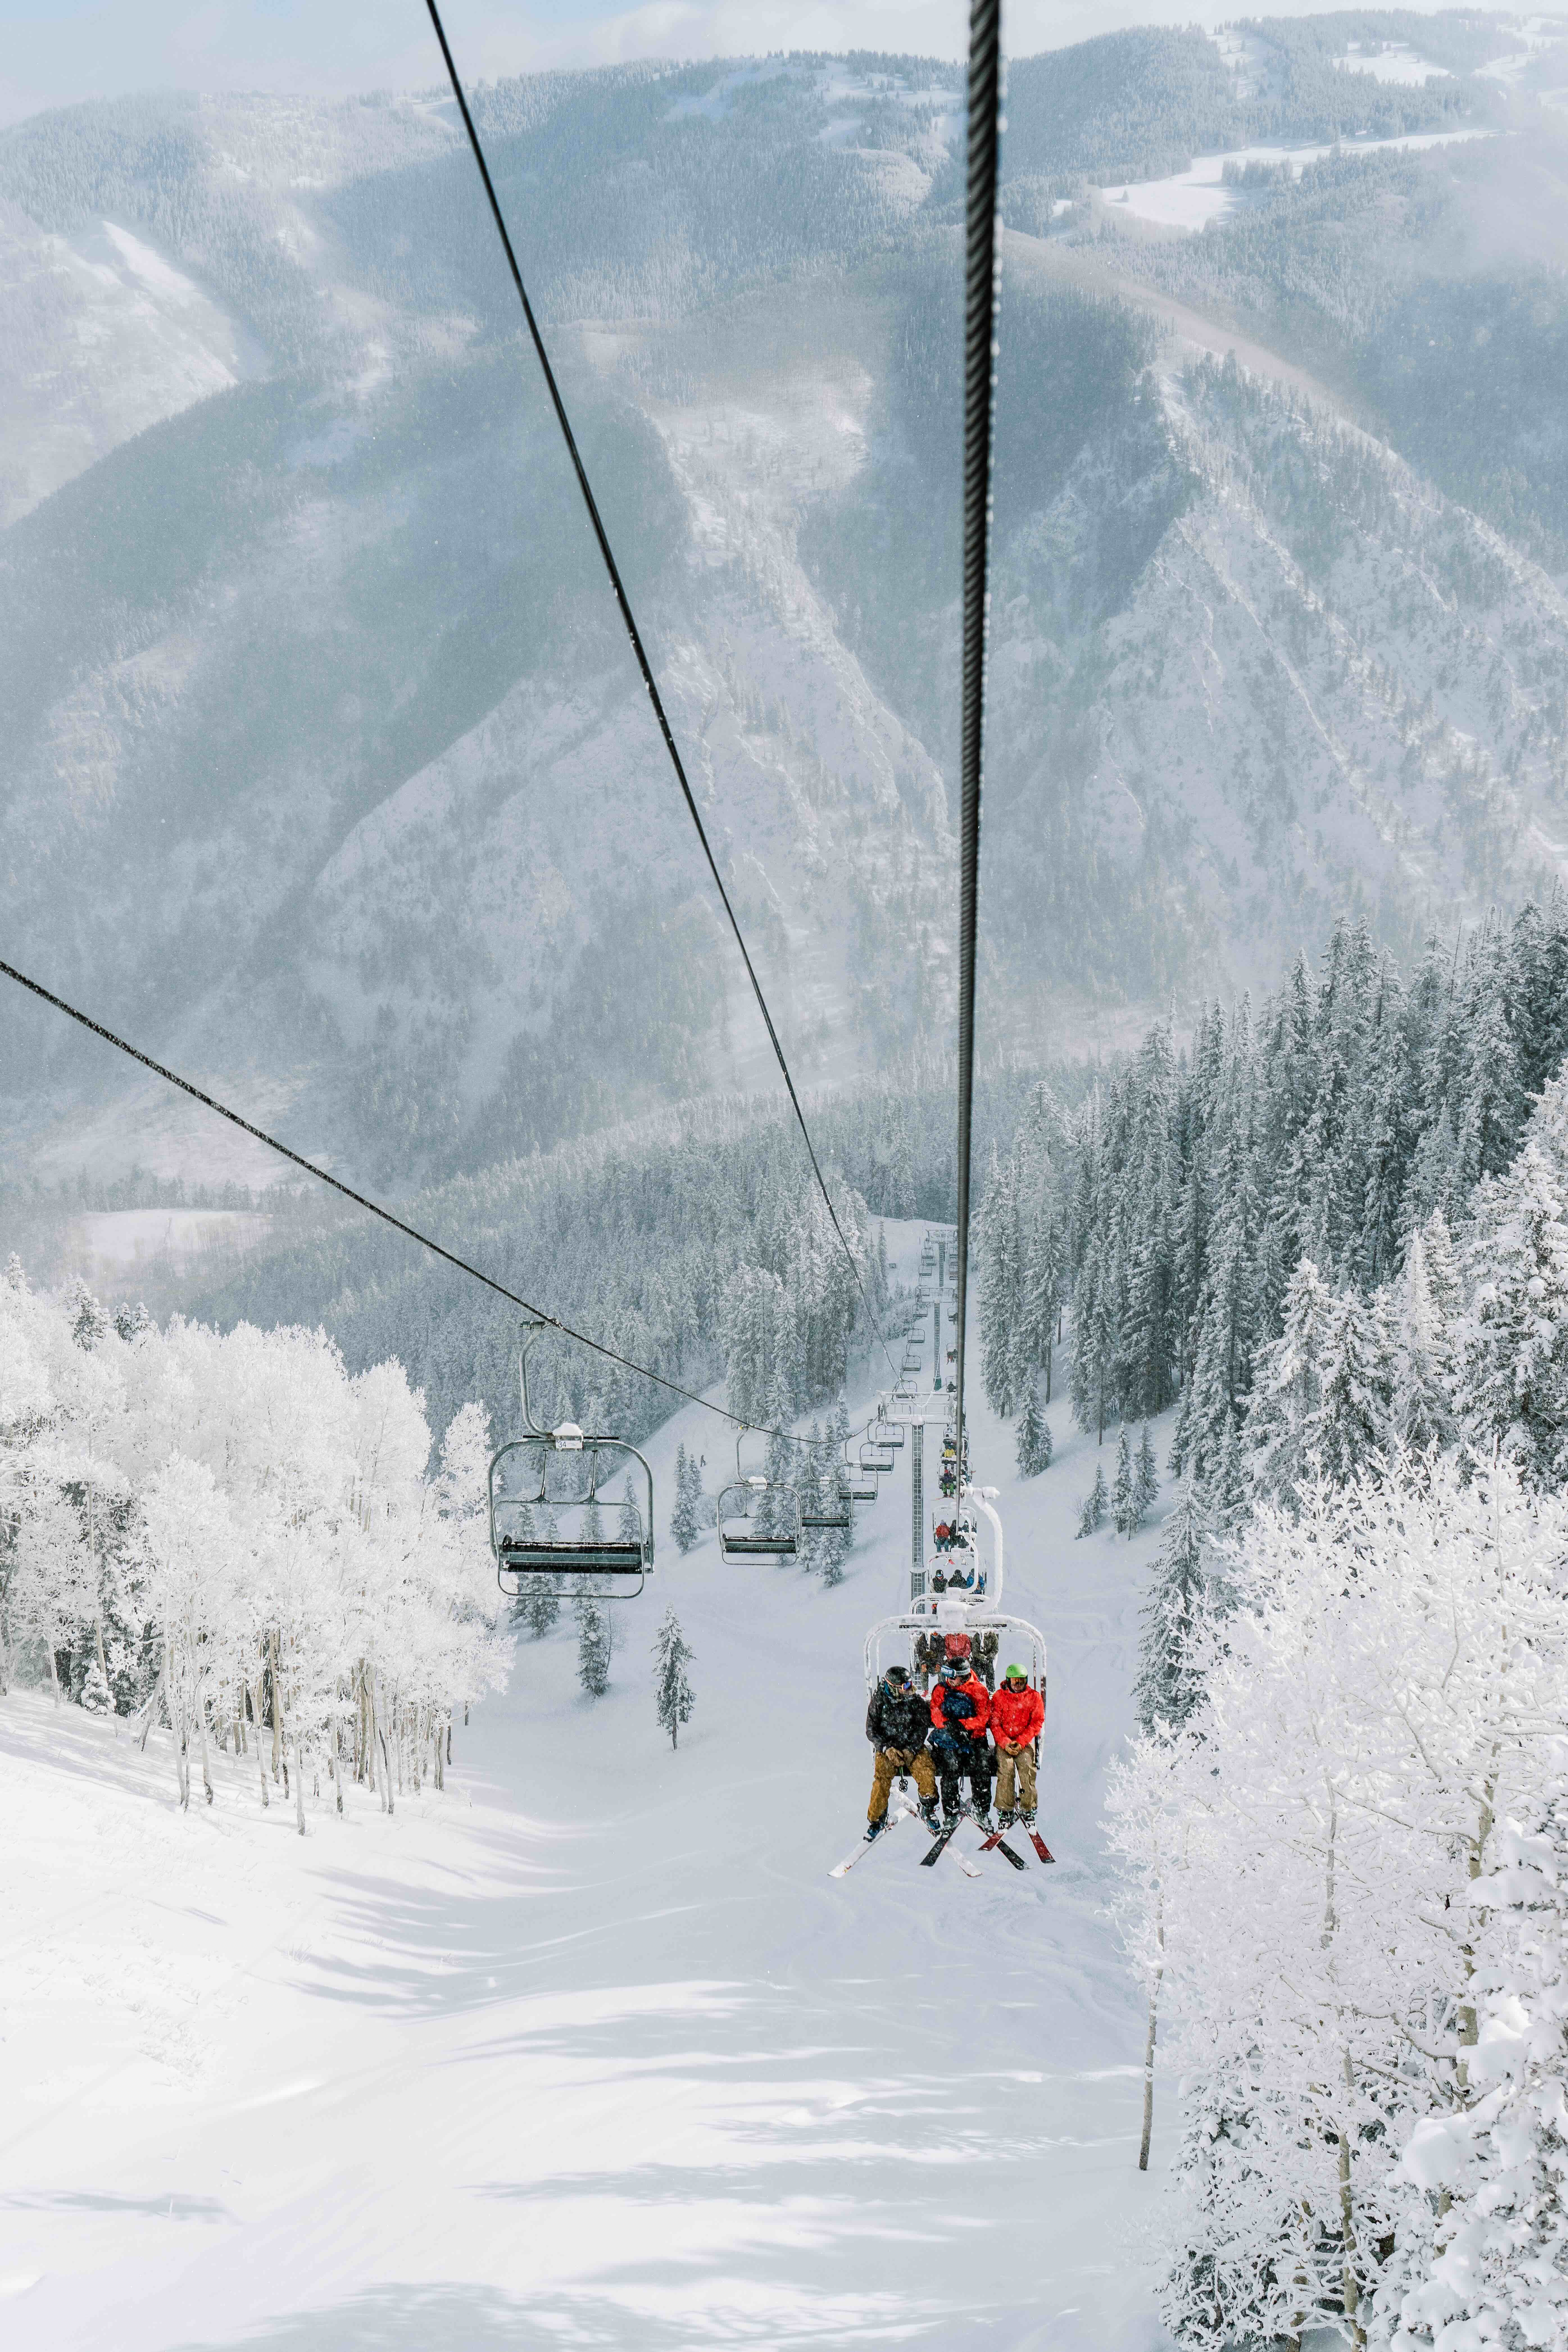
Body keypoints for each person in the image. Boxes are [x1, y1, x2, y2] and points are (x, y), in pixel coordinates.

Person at [864, 1663, 938, 1836]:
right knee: (882, 1779)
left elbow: (921, 1727)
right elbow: (871, 1730)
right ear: (894, 1687)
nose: (909, 1689)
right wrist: (886, 1748)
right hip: (889, 1748)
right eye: (905, 1686)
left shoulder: (914, 1700)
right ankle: (877, 1818)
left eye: (910, 1684)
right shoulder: (880, 1701)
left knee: (926, 1771)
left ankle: (928, 1809)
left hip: (912, 1747)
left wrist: (912, 1749)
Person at [928, 1644, 993, 1822]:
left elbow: (983, 1718)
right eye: (947, 1675)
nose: (948, 1679)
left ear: (963, 1676)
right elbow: (935, 1713)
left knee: (981, 1767)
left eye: (953, 1676)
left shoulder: (979, 1691)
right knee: (950, 1768)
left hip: (975, 1738)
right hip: (950, 1739)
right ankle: (951, 1812)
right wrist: (950, 1727)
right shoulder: (941, 1689)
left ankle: (981, 1809)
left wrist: (963, 1726)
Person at [990, 1663, 1045, 1827]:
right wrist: (1005, 1742)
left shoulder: (1034, 1697)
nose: (1018, 1684)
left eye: (1021, 1681)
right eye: (1015, 1681)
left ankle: (1029, 1807)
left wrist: (1021, 1742)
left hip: (1024, 1743)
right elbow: (995, 1723)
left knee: (1027, 1767)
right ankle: (1005, 1809)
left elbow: (1037, 1722)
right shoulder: (1000, 1697)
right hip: (1005, 1743)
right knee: (1006, 1769)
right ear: (1008, 1681)